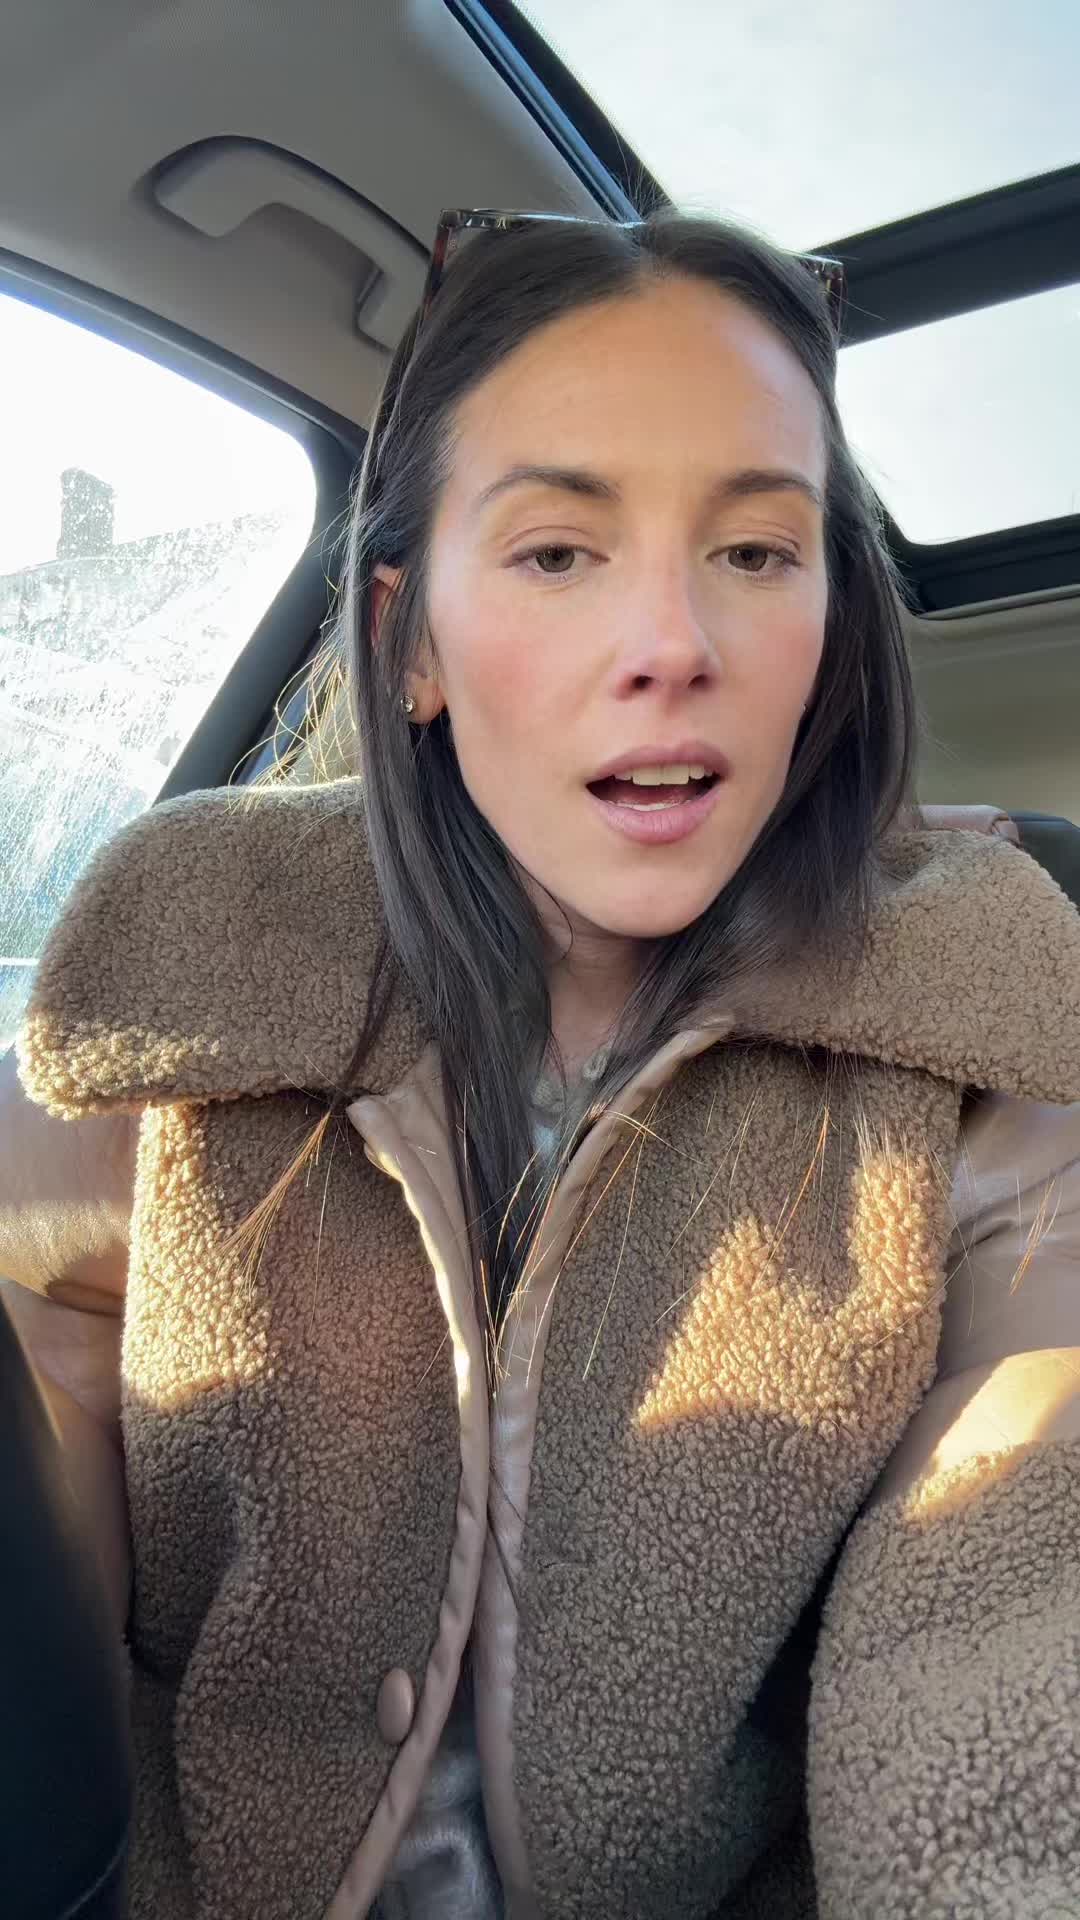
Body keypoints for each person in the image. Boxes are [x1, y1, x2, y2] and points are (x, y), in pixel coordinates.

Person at [3, 205, 1080, 1920]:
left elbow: (1019, 1582)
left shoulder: (977, 1047)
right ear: (411, 643)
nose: (676, 643)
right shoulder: (179, 998)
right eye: (560, 553)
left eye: (757, 552)